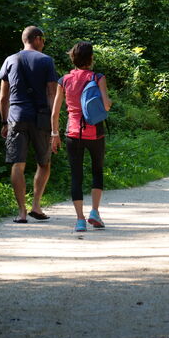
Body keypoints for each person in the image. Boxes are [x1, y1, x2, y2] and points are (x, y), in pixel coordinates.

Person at [0, 26, 59, 223]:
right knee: (44, 162)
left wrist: (4, 121)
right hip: (40, 117)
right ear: (37, 39)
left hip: (16, 116)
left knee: (18, 163)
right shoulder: (46, 61)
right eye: (44, 39)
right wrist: (54, 124)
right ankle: (36, 206)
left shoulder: (10, 60)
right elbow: (52, 93)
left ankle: (22, 212)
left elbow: (2, 97)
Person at [51, 41, 112, 232]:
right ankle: (94, 211)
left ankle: (79, 220)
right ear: (91, 58)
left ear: (73, 58)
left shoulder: (64, 80)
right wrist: (106, 101)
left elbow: (55, 112)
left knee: (76, 176)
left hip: (73, 132)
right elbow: (107, 105)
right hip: (95, 132)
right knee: (97, 171)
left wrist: (55, 134)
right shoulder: (98, 77)